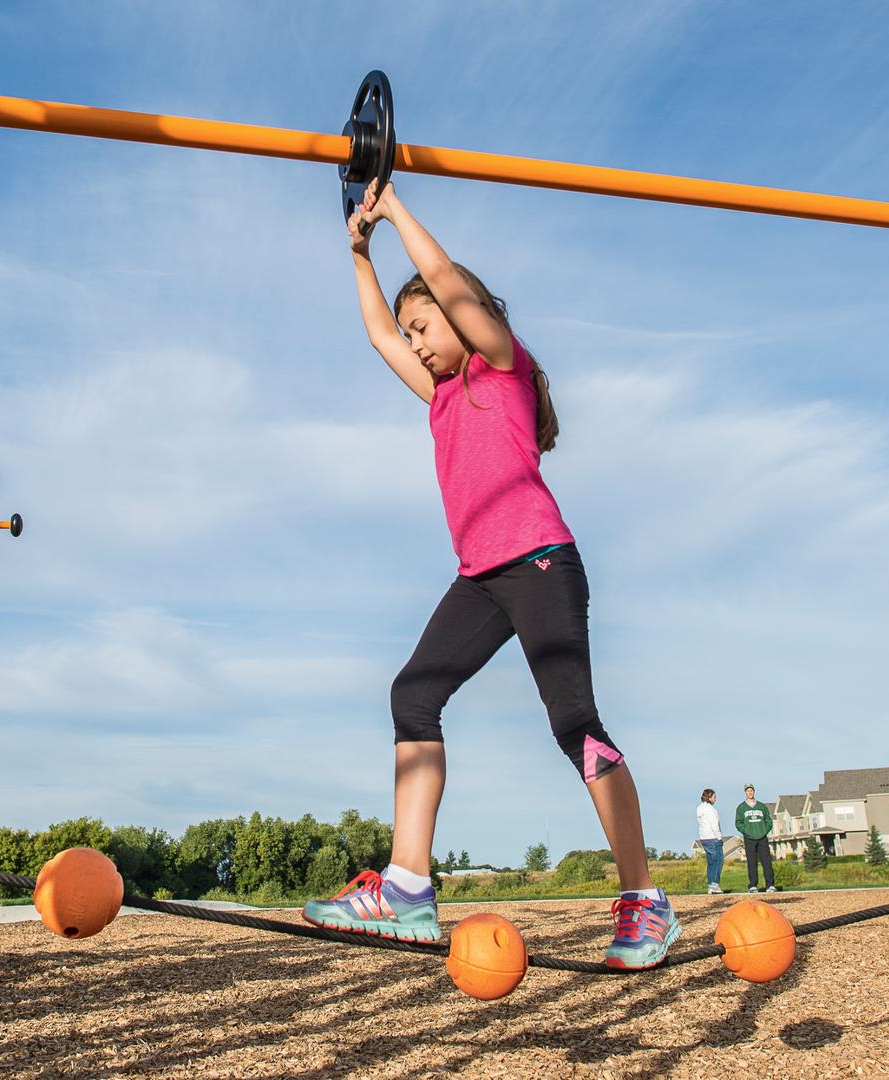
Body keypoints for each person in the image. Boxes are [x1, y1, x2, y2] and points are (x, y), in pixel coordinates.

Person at [303, 180, 678, 969]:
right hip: (479, 576)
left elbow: (447, 285)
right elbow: (376, 337)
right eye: (414, 331)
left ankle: (645, 901)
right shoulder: (439, 397)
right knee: (413, 693)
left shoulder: (502, 367)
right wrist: (360, 254)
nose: (418, 340)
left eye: (426, 326)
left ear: (465, 314)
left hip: (540, 560)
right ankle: (407, 888)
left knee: (574, 724)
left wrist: (397, 208)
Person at [734, 785, 776, 893]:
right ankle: (753, 885)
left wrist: (764, 831)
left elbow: (769, 821)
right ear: (745, 792)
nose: (750, 792)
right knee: (752, 862)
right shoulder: (741, 807)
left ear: (754, 792)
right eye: (748, 791)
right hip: (749, 838)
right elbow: (738, 823)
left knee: (766, 861)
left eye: (751, 790)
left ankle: (770, 884)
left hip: (762, 838)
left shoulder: (761, 806)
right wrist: (747, 832)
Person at [697, 789, 724, 894]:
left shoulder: (699, 808)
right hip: (713, 837)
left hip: (704, 838)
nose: (715, 799)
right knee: (718, 861)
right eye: (714, 797)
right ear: (709, 797)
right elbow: (714, 825)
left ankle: (710, 884)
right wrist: (719, 837)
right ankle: (715, 884)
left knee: (710, 862)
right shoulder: (711, 810)